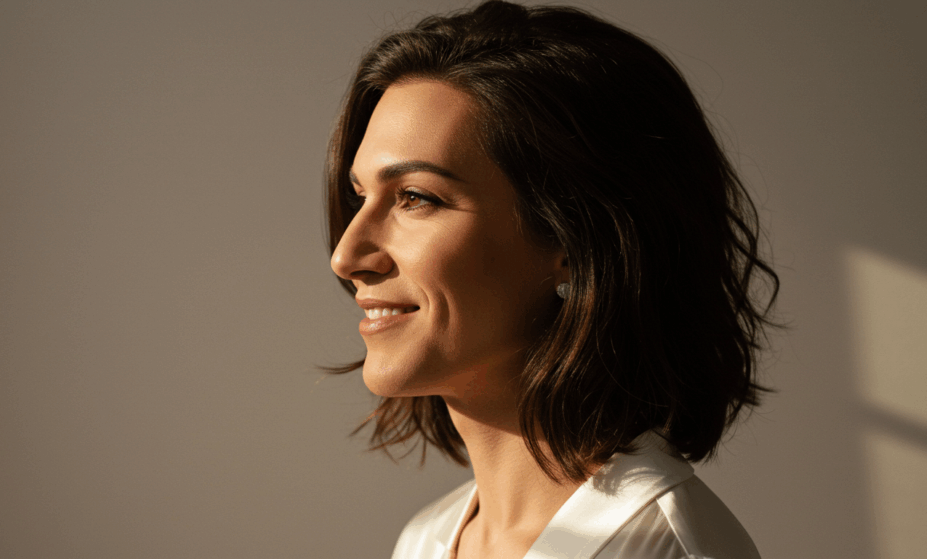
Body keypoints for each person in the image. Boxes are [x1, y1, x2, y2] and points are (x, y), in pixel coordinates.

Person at [324, 1, 779, 558]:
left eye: (415, 197)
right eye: (360, 197)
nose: (346, 256)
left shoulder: (662, 548)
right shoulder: (426, 540)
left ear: (573, 240)